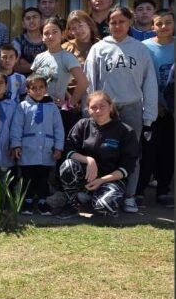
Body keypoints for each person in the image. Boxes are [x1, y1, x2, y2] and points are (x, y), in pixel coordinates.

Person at [85, 6, 158, 213]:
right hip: (105, 109)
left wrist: (148, 117)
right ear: (108, 25)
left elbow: (149, 83)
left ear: (129, 23)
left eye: (122, 21)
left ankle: (129, 196)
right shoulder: (99, 48)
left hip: (132, 107)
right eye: (113, 22)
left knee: (132, 153)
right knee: (101, 150)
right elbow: (91, 82)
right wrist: (89, 111)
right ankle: (97, 191)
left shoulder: (140, 49)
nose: (117, 26)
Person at [57, 91, 140, 219]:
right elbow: (68, 151)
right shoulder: (82, 125)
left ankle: (92, 199)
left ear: (110, 107)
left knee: (104, 207)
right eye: (93, 107)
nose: (98, 110)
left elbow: (127, 167)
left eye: (102, 106)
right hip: (86, 177)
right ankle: (72, 203)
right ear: (88, 109)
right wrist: (89, 160)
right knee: (68, 165)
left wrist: (101, 180)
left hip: (110, 180)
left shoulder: (125, 131)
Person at [10, 74, 64, 215]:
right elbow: (17, 127)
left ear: (46, 88)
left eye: (41, 87)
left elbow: (58, 129)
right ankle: (27, 203)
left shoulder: (52, 108)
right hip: (28, 150)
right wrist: (16, 145)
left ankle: (42, 202)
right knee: (27, 177)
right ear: (27, 90)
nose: (38, 91)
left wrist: (58, 147)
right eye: (34, 88)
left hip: (47, 150)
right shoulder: (23, 107)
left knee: (43, 177)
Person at [137, 9, 174, 204]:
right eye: (159, 23)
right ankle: (139, 191)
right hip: (150, 109)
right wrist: (153, 104)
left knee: (168, 152)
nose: (164, 26)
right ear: (153, 26)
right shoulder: (144, 47)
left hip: (172, 111)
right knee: (147, 152)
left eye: (168, 22)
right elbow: (139, 78)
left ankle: (163, 190)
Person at [32, 17, 89, 136]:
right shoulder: (39, 57)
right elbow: (33, 83)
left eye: (55, 32)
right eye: (46, 33)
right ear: (42, 37)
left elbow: (83, 82)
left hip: (56, 111)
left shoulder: (67, 57)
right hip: (36, 108)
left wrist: (69, 104)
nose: (50, 36)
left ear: (62, 34)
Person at [62, 10, 101, 103]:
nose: (78, 30)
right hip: (72, 98)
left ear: (89, 24)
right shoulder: (66, 48)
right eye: (73, 28)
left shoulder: (101, 46)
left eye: (81, 26)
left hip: (97, 98)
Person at [12, 7, 46, 75]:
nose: (31, 21)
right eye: (28, 18)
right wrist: (42, 65)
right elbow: (15, 66)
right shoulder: (18, 41)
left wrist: (26, 64)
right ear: (23, 24)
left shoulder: (48, 39)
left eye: (35, 17)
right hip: (23, 80)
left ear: (41, 21)